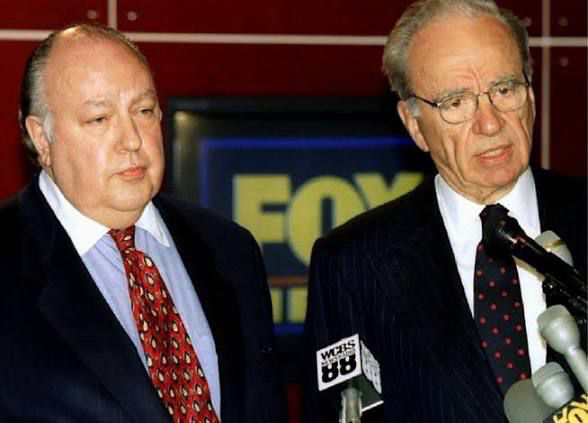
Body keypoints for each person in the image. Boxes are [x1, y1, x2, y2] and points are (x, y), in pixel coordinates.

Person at [303, 0, 587, 421]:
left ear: (529, 94)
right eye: (456, 102)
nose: (489, 123)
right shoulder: (354, 264)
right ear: (414, 124)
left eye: (504, 90)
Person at [0, 23, 287, 423]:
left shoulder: (230, 249)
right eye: (99, 118)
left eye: (144, 111)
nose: (132, 139)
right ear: (42, 139)